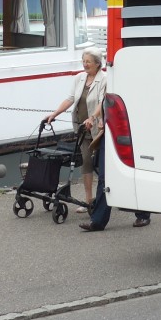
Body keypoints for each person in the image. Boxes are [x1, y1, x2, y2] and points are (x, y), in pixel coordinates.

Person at [44, 47, 107, 210]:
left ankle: (108, 197)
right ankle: (88, 201)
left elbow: (102, 102)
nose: (85, 64)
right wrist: (55, 113)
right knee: (86, 162)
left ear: (98, 64)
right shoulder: (80, 78)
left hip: (98, 129)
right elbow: (70, 99)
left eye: (88, 62)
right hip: (82, 129)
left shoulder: (104, 79)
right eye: (84, 61)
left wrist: (93, 117)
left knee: (101, 165)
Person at [80, 91, 151, 232]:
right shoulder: (113, 78)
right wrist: (96, 116)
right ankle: (98, 221)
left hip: (132, 131)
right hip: (111, 132)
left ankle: (143, 214)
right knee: (104, 177)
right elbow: (105, 101)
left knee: (134, 173)